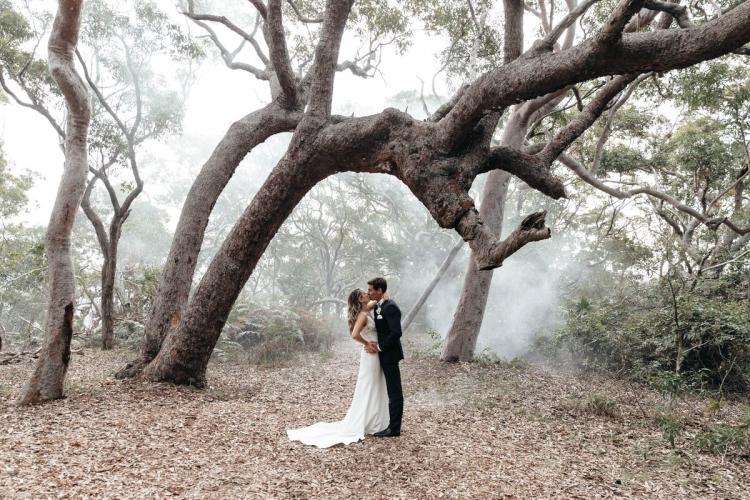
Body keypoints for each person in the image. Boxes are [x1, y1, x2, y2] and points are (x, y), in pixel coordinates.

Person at [286, 288, 389, 448]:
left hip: (374, 353)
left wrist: (382, 295)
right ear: (360, 299)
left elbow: (380, 299)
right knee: (369, 385)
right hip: (370, 354)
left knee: (375, 384)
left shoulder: (366, 308)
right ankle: (368, 421)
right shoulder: (363, 315)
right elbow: (354, 334)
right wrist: (367, 343)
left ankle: (375, 419)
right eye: (364, 294)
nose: (367, 294)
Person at [366, 277, 404, 438]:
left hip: (390, 354)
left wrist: (380, 347)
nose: (368, 292)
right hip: (381, 355)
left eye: (371, 290)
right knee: (388, 389)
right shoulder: (379, 305)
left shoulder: (391, 307)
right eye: (367, 290)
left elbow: (397, 332)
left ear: (380, 290)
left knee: (394, 391)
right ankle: (386, 421)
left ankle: (394, 428)